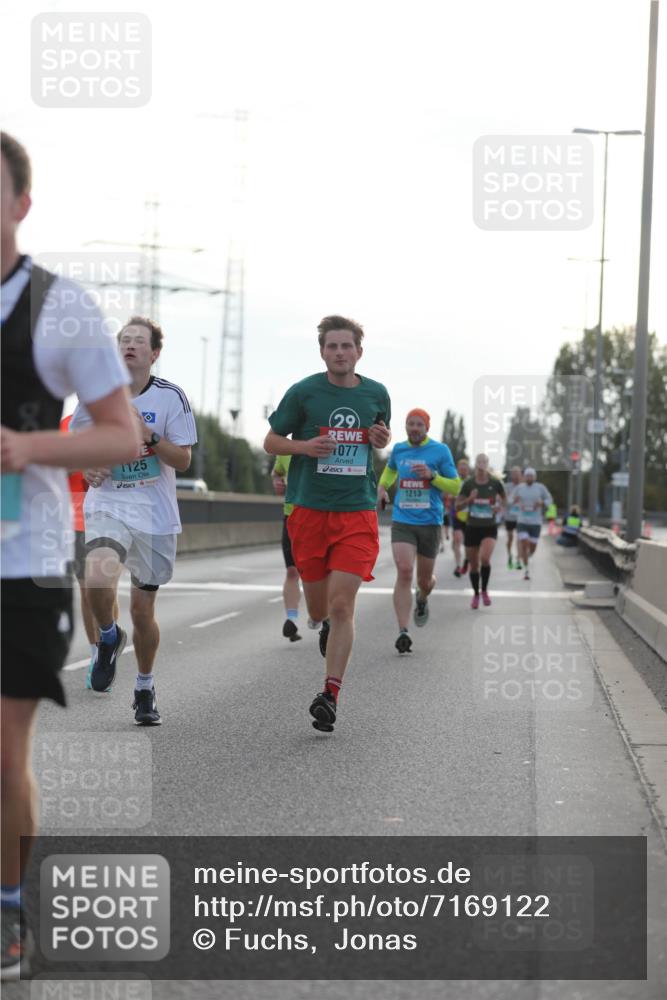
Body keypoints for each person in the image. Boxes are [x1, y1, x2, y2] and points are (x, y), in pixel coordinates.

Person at [0, 132, 139, 980]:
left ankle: (10, 909)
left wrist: (26, 448)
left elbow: (120, 432)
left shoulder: (58, 309)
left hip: (19, 566)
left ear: (20, 205)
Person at [264, 314, 391, 733]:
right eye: (332, 346)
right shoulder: (303, 393)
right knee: (318, 609)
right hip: (309, 512)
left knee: (342, 605)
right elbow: (271, 441)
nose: (339, 352)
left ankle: (330, 695)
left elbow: (380, 435)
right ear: (322, 351)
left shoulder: (377, 393)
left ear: (359, 351)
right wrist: (303, 446)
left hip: (356, 511)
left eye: (346, 346)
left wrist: (380, 440)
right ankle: (324, 627)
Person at [71, 317, 197, 725]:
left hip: (154, 514)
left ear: (154, 353)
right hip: (108, 503)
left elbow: (183, 459)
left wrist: (149, 437)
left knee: (143, 611)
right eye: (123, 340)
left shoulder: (170, 397)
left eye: (138, 341)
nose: (129, 346)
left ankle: (144, 686)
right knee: (95, 573)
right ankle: (107, 637)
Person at [377, 409, 460, 653]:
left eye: (419, 425)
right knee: (404, 571)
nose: (414, 428)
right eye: (410, 424)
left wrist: (433, 476)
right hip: (403, 520)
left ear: (426, 428)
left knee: (424, 580)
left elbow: (455, 486)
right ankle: (403, 631)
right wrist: (383, 487)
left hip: (430, 523)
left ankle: (422, 598)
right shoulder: (399, 450)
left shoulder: (440, 451)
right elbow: (391, 469)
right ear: (405, 427)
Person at [455, 453, 505, 608]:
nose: (482, 464)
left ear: (487, 463)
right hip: (472, 528)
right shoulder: (469, 484)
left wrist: (499, 508)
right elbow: (458, 506)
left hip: (489, 527)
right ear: (475, 464)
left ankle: (484, 591)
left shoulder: (495, 483)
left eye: (484, 461)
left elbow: (505, 500)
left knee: (485, 558)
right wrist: (469, 500)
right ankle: (476, 594)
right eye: (479, 461)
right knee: (474, 565)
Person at [271, 454, 303, 642]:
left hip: (317, 518)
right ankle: (291, 620)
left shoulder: (318, 445)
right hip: (291, 517)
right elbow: (276, 473)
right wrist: (278, 482)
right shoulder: (284, 450)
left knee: (319, 574)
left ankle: (325, 619)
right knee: (292, 571)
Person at [512, 467, 553, 580]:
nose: (529, 478)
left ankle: (528, 558)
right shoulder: (519, 488)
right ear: (524, 477)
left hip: (536, 522)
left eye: (531, 476)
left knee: (532, 547)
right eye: (527, 475)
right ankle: (527, 570)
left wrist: (542, 502)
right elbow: (510, 500)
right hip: (522, 521)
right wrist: (515, 502)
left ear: (535, 477)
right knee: (524, 543)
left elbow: (550, 499)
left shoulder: (540, 488)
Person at [451, 457, 470, 577]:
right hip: (456, 514)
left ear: (468, 470)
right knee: (457, 540)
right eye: (460, 468)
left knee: (468, 543)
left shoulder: (472, 482)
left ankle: (466, 562)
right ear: (457, 469)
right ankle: (458, 566)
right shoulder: (454, 481)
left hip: (470, 516)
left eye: (465, 468)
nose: (462, 470)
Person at [503, 465, 523, 569]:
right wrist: (510, 500)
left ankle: (519, 560)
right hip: (509, 516)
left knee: (520, 538)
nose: (515, 475)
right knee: (510, 537)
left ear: (521, 475)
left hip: (521, 517)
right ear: (511, 475)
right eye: (513, 473)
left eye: (517, 473)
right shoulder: (506, 486)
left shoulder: (524, 487)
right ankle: (510, 555)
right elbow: (503, 501)